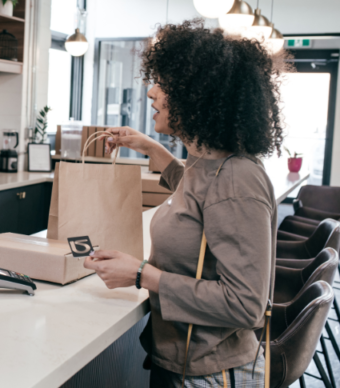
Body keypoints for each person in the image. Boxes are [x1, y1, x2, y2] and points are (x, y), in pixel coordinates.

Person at [83, 20, 286, 387]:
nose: (151, 92)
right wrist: (150, 148)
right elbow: (198, 198)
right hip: (188, 362)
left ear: (197, 95)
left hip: (212, 374)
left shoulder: (236, 180)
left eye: (163, 84)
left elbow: (246, 305)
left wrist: (141, 274)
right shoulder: (210, 163)